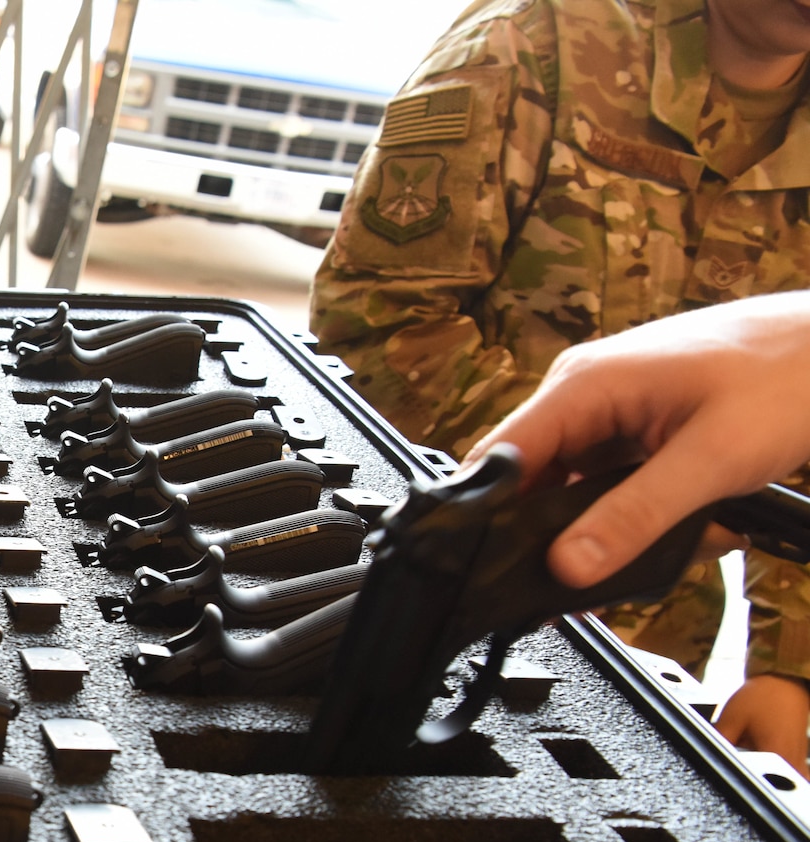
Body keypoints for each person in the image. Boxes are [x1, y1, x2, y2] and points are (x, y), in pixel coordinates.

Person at [311, 0, 810, 770]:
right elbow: (378, 320)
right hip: (437, 589)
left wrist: (787, 664)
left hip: (651, 657)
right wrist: (576, 498)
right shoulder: (534, 38)